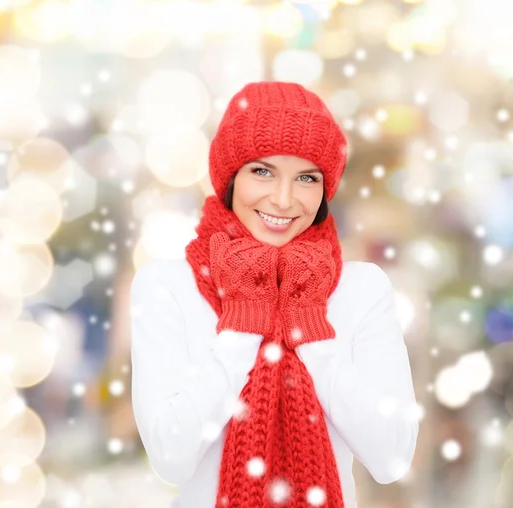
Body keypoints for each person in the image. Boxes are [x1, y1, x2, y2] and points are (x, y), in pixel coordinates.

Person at [130, 81, 419, 508]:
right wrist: (245, 321)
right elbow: (171, 456)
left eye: (306, 177)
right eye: (262, 171)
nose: (283, 199)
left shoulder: (362, 288)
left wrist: (311, 331)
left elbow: (391, 457)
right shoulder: (167, 286)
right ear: (230, 177)